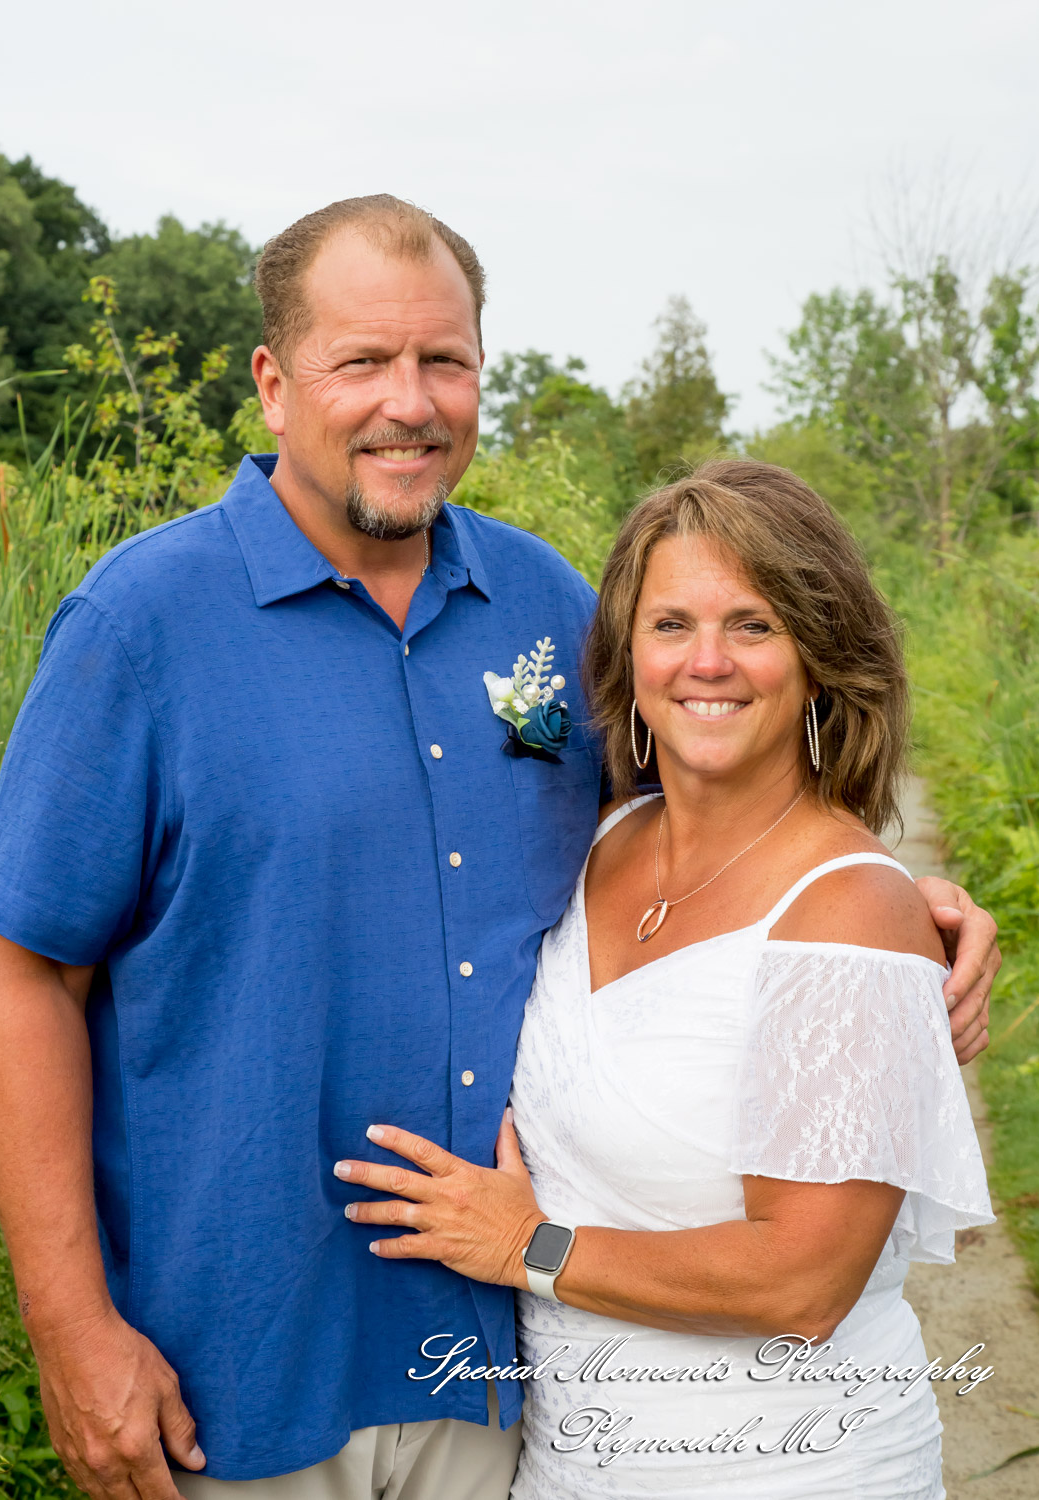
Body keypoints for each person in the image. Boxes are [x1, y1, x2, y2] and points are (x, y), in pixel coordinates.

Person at [0, 195, 995, 1500]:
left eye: (443, 360)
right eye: (363, 363)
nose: (410, 401)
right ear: (276, 386)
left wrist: (903, 912)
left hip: (503, 1376)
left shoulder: (555, 610)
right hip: (232, 1376)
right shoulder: (140, 627)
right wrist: (71, 1329)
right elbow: (16, 978)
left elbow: (729, 824)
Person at [334, 460, 995, 1499]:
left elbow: (804, 1283)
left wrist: (527, 1244)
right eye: (672, 624)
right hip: (572, 1464)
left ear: (822, 659)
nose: (709, 663)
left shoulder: (852, 913)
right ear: (628, 659)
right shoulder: (599, 839)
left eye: (755, 625)